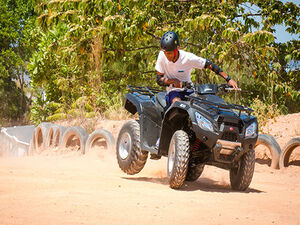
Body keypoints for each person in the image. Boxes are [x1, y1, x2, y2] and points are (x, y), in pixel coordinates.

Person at [155, 31, 238, 107]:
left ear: (177, 49)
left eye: (169, 53)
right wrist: (174, 81)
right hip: (173, 93)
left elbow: (209, 64)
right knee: (177, 104)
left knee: (203, 107)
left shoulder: (188, 58)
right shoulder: (162, 56)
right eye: (165, 53)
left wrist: (228, 79)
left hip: (189, 91)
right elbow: (159, 79)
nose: (166, 55)